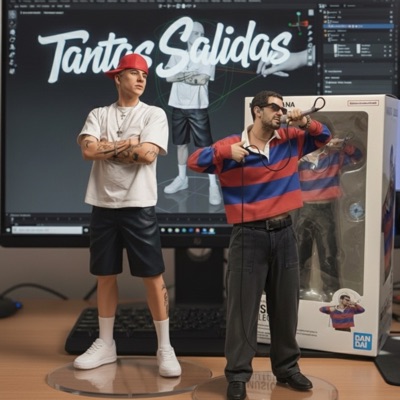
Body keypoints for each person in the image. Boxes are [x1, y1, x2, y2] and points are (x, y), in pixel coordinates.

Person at [188, 90, 332, 400]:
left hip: (285, 233)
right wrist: (225, 153)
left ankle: (287, 369)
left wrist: (305, 122)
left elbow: (324, 137)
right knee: (242, 311)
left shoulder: (291, 139)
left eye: (282, 108)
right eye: (274, 107)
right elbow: (194, 162)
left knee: (286, 308)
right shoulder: (233, 145)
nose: (280, 112)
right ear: (257, 111)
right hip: (248, 236)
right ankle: (238, 375)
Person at [73, 53, 181, 378]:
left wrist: (110, 147)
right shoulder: (98, 114)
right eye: (133, 74)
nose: (140, 79)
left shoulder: (154, 114)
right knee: (104, 275)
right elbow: (88, 150)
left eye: (144, 75)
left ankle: (165, 347)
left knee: (153, 276)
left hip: (139, 205)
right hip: (103, 205)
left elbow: (147, 155)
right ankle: (106, 344)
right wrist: (128, 144)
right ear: (118, 78)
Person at [296, 135, 363, 302]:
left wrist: (343, 145)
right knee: (300, 251)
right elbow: (281, 169)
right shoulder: (301, 157)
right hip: (304, 208)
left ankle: (332, 291)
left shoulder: (334, 155)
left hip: (325, 208)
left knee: (328, 253)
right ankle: (297, 289)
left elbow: (358, 157)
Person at [163, 21, 222, 205]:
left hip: (198, 106)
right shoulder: (176, 54)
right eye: (196, 33)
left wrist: (180, 76)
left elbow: (202, 79)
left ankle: (213, 184)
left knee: (205, 147)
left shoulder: (207, 55)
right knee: (180, 144)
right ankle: (182, 179)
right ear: (187, 35)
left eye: (202, 34)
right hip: (177, 105)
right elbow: (168, 77)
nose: (200, 36)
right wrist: (187, 76)